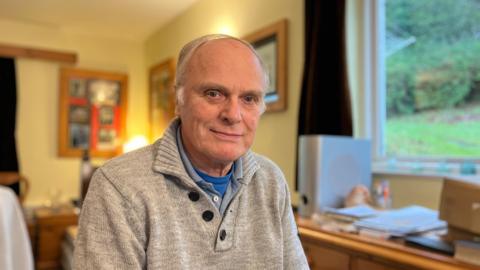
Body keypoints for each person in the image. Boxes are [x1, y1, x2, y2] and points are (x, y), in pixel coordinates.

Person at [73, 34, 308, 269]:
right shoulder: (117, 187)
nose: (233, 114)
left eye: (249, 98)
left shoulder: (271, 181)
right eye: (214, 93)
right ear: (178, 100)